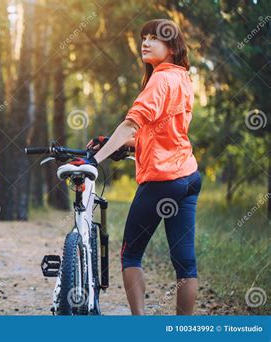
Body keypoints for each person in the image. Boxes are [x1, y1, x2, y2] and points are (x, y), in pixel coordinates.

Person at [69, 19, 202, 315]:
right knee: (185, 264)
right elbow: (164, 133)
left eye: (155, 38)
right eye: (144, 37)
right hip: (188, 176)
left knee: (130, 255)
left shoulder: (160, 80)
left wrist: (95, 158)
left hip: (162, 180)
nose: (146, 42)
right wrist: (125, 146)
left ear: (172, 46)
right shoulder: (182, 79)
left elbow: (132, 123)